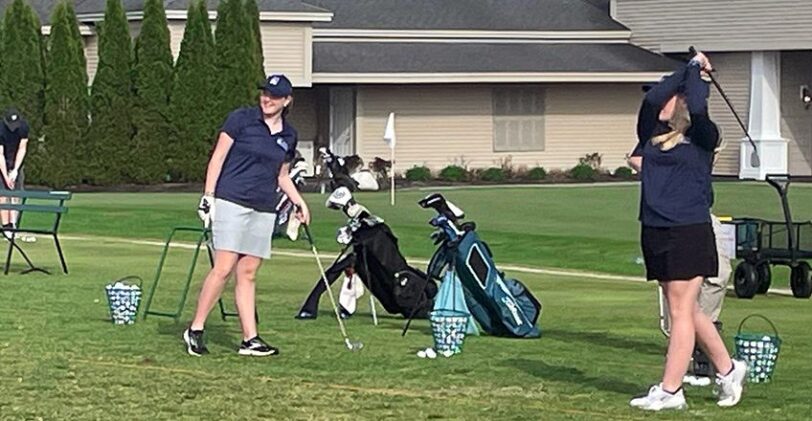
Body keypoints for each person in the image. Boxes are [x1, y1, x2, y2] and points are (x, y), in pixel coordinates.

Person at [627, 51, 746, 411]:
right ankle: (728, 370)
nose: (659, 101)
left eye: (669, 98)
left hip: (688, 230)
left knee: (680, 311)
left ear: (681, 105)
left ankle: (671, 390)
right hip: (656, 229)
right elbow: (650, 98)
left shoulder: (703, 136)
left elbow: (697, 102)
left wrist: (696, 74)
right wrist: (687, 67)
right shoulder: (651, 132)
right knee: (688, 309)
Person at [183, 74, 310, 357]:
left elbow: (282, 175)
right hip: (231, 199)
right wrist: (208, 196)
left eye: (274, 96)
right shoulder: (241, 119)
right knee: (224, 267)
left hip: (264, 206)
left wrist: (299, 201)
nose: (267, 99)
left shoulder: (289, 135)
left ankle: (249, 339)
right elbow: (217, 158)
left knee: (248, 272)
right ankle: (196, 329)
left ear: (287, 101)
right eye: (265, 93)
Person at [0, 108, 30, 238]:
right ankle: (6, 227)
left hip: (16, 160)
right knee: (2, 193)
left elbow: (22, 148)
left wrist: (16, 170)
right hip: (2, 160)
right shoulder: (0, 129)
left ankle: (13, 224)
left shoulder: (23, 127)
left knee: (16, 193)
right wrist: (6, 177)